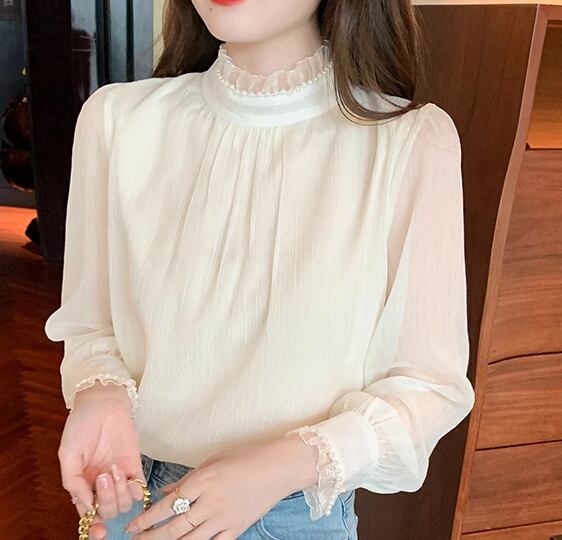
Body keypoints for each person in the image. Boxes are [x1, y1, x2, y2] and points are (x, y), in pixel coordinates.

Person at [44, 0, 476, 538]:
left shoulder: (410, 140)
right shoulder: (117, 121)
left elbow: (429, 388)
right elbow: (90, 324)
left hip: (295, 516)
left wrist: (283, 465)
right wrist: (100, 391)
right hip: (129, 495)